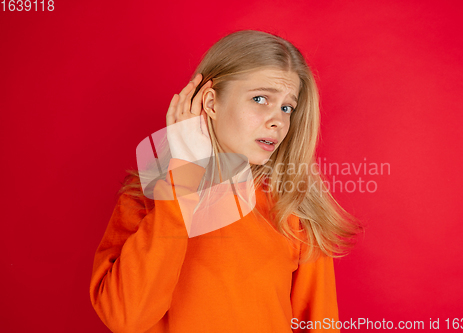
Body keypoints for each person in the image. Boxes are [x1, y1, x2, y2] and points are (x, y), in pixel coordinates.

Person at [89, 29, 363, 333]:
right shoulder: (145, 198)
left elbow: (321, 324)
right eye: (260, 99)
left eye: (287, 107)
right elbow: (126, 318)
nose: (278, 121)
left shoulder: (292, 208)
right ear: (210, 102)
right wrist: (182, 182)